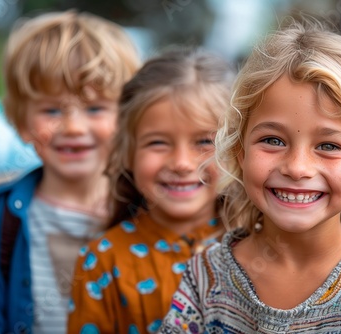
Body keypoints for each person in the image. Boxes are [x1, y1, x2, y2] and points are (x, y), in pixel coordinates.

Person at [158, 18, 341, 333]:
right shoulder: (206, 278)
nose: (297, 167)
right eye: (273, 140)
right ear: (240, 150)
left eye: (329, 145)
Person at [0, 10, 140, 334]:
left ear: (127, 117)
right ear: (21, 122)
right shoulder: (0, 216)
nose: (72, 127)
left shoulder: (145, 209)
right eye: (52, 110)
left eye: (95, 108)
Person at [67, 48, 234, 334]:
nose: (182, 163)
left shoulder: (263, 244)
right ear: (127, 153)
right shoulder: (103, 260)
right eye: (158, 143)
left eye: (204, 141)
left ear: (234, 149)